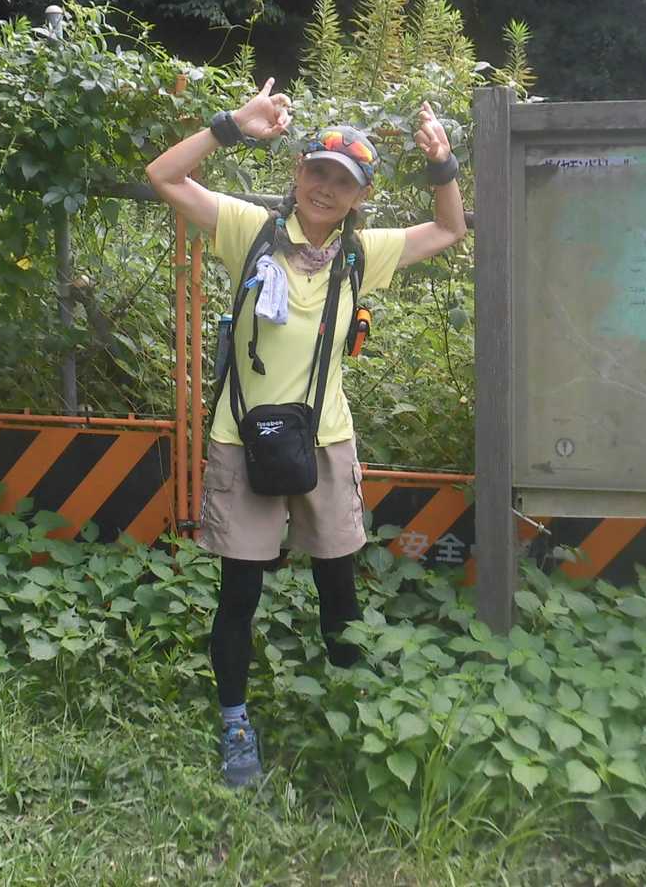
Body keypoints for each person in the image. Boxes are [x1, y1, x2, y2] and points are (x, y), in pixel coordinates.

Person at [144, 79, 467, 787]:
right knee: (239, 592)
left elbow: (449, 229)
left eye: (343, 181)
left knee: (337, 583)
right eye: (317, 170)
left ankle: (352, 714)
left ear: (360, 195)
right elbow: (163, 175)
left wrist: (442, 163)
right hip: (242, 440)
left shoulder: (361, 254)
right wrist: (232, 125)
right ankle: (235, 723)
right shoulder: (250, 232)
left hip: (326, 442)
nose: (326, 188)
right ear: (296, 173)